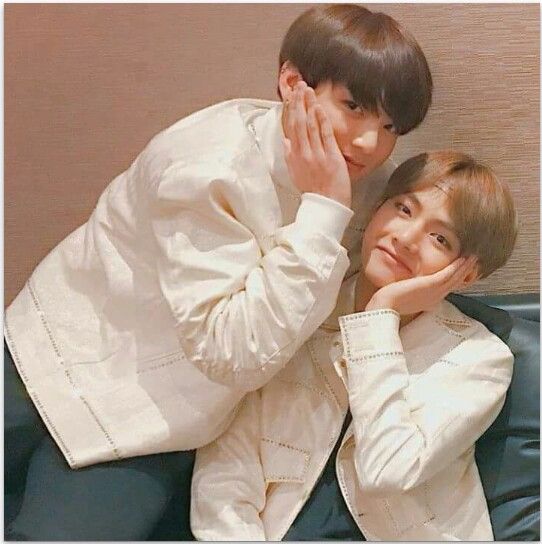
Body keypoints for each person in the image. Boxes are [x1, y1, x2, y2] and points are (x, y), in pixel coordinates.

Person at [4, 4, 433, 541]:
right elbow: (230, 349)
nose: (369, 143)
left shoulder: (367, 186)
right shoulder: (206, 165)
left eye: (389, 126)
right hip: (56, 352)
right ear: (293, 84)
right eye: (353, 106)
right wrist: (324, 208)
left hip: (155, 419)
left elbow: (249, 356)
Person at [190, 150, 518, 541]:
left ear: (466, 274)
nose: (405, 238)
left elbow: (387, 470)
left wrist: (379, 315)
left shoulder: (479, 360)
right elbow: (225, 479)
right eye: (403, 209)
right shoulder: (299, 314)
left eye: (440, 238)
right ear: (377, 209)